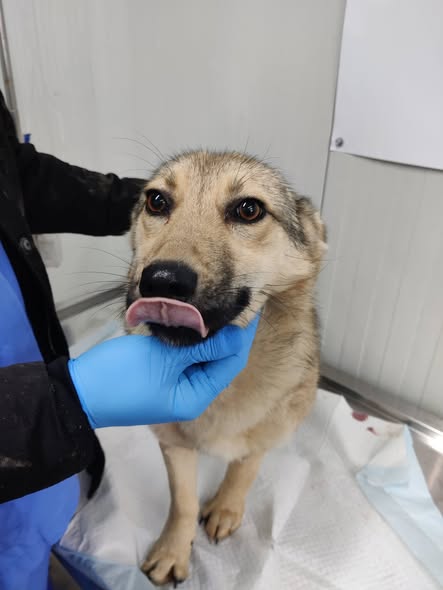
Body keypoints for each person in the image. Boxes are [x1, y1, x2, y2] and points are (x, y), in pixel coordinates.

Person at [0, 91, 258, 590]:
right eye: (158, 209)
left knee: (32, 531)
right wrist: (64, 402)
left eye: (247, 210)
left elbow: (14, 173)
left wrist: (163, 199)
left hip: (29, 393)